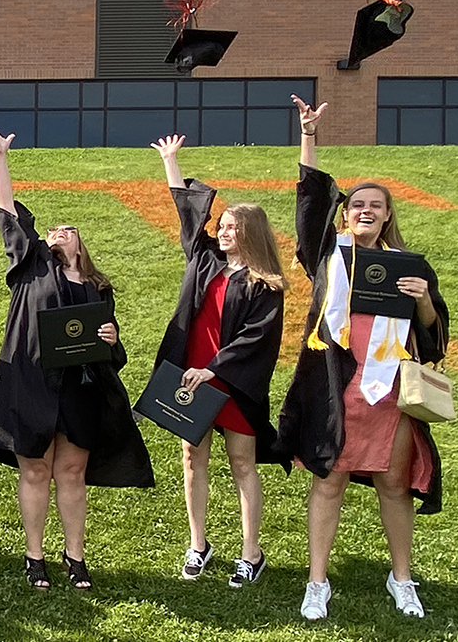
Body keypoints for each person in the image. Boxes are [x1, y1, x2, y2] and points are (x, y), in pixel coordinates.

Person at [278, 96, 449, 621]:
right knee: (327, 479)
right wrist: (308, 135)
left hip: (389, 388)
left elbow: (435, 338)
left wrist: (422, 297)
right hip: (335, 383)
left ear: (388, 214)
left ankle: (402, 577)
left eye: (376, 205)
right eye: (357, 205)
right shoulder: (326, 255)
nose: (366, 211)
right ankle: (316, 582)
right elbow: (309, 206)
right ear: (347, 213)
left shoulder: (409, 265)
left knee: (393, 481)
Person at [0, 123, 154, 591]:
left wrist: (112, 337)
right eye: (53, 230)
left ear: (80, 244)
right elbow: (5, 210)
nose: (58, 233)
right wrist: (0, 157)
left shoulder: (98, 288)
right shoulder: (32, 264)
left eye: (67, 230)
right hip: (33, 384)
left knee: (72, 472)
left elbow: (110, 351)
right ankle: (34, 558)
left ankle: (75, 558)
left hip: (80, 390)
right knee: (36, 469)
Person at [149, 134, 289, 588]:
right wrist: (172, 163)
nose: (223, 231)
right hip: (191, 374)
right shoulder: (205, 261)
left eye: (231, 226)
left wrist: (217, 368)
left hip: (233, 381)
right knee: (192, 457)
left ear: (250, 232)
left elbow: (258, 337)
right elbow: (189, 217)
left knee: (242, 462)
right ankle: (198, 545)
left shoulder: (264, 283)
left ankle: (251, 552)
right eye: (222, 225)